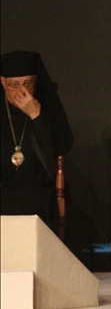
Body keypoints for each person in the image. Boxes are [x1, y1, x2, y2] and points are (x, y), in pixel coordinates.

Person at [1, 51, 73, 233]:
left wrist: (36, 116)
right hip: (3, 187)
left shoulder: (45, 106)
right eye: (14, 84)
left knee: (36, 201)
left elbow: (62, 146)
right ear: (3, 82)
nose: (21, 91)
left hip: (36, 190)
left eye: (28, 83)